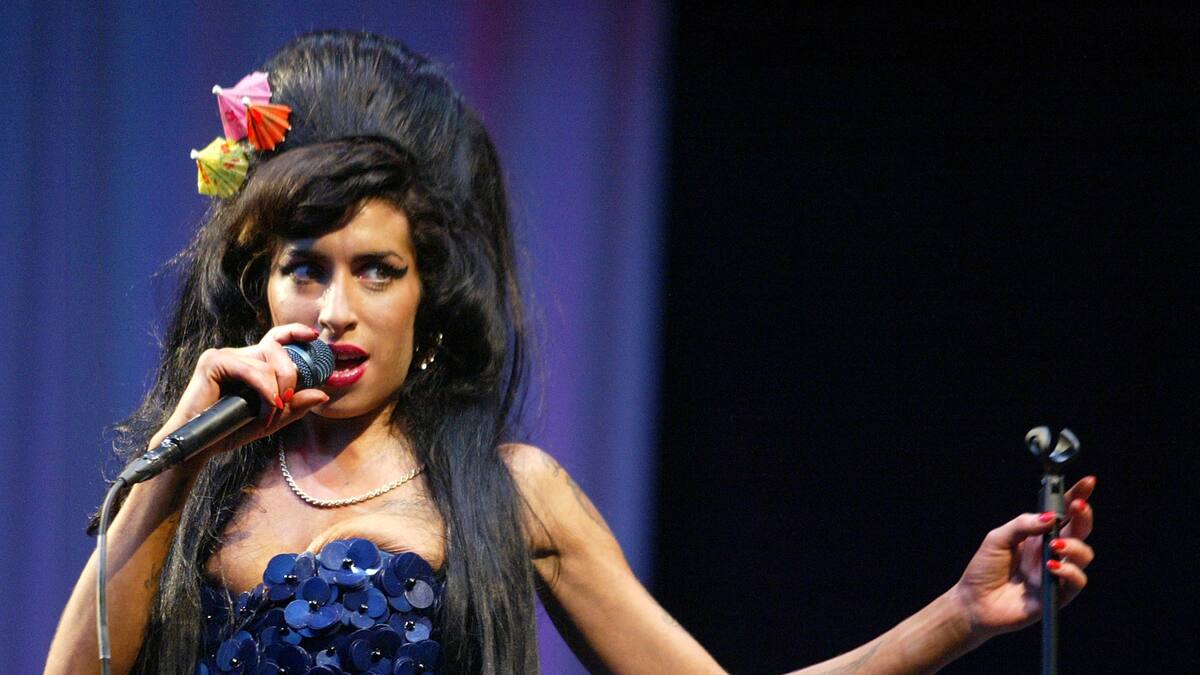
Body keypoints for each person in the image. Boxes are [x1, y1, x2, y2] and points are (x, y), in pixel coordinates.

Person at [46, 31, 1096, 674]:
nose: (335, 310)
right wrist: (181, 449)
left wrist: (959, 617)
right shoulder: (203, 480)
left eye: (377, 271)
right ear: (259, 288)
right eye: (304, 269)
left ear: (429, 294)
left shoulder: (509, 493)